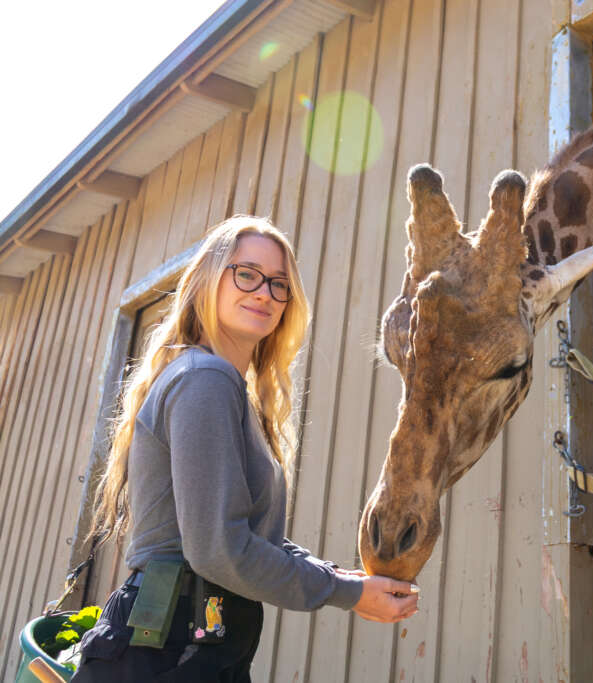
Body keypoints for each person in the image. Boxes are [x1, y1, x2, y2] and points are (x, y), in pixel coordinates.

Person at [72, 216, 418, 681]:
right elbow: (219, 550)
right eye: (247, 274)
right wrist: (345, 592)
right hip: (169, 651)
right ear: (208, 279)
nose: (264, 293)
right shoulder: (206, 379)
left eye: (279, 284)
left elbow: (248, 536)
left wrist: (341, 579)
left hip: (194, 643)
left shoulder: (223, 385)